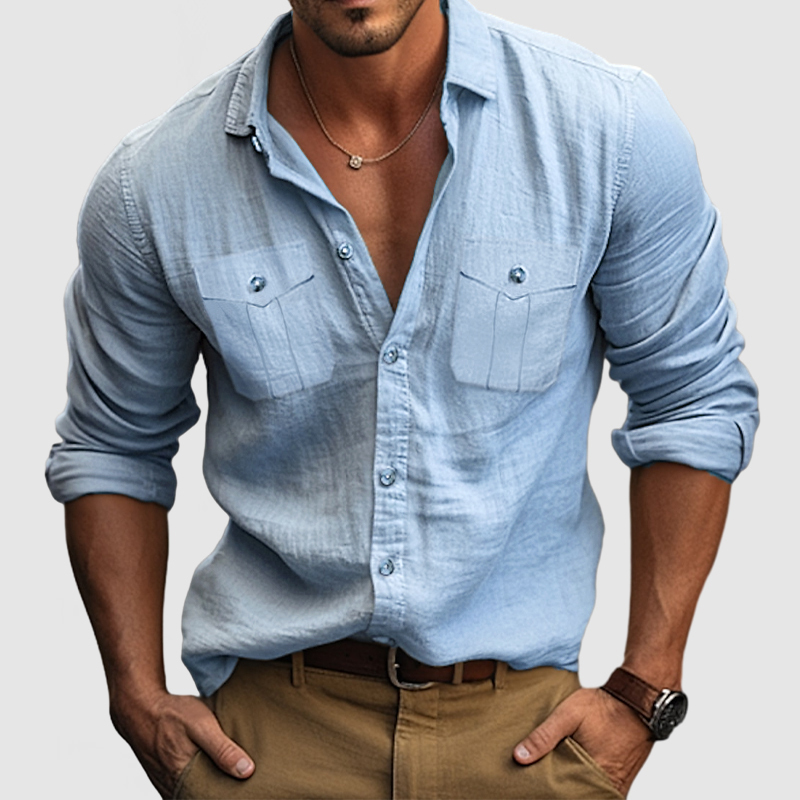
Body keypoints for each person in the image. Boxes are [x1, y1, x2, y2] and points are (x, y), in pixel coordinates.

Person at [46, 0, 759, 797]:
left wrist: (644, 687)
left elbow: (692, 398)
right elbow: (113, 447)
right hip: (268, 742)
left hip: (528, 739)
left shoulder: (609, 130)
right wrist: (137, 697)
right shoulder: (151, 185)